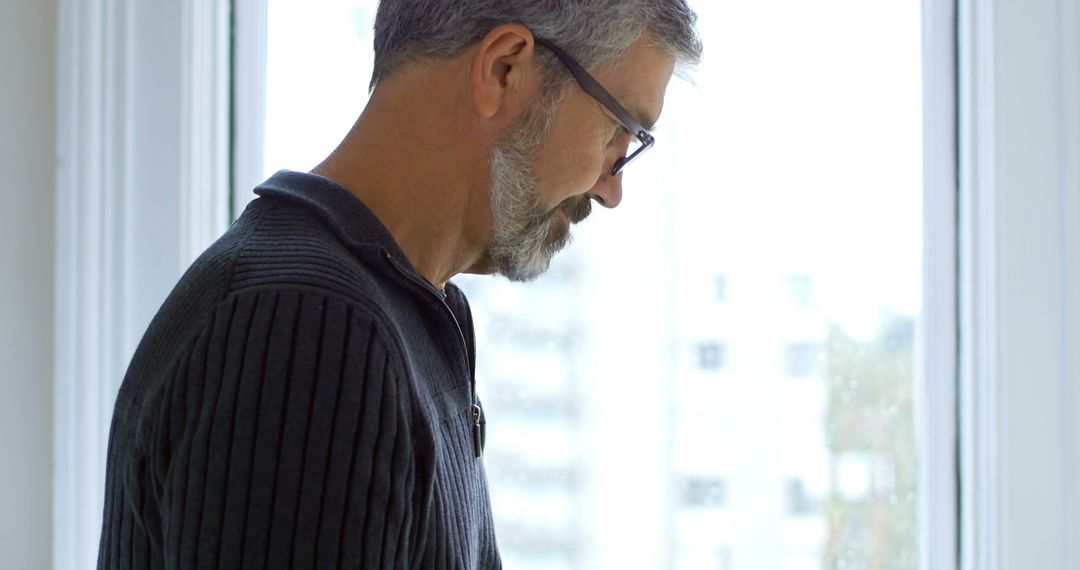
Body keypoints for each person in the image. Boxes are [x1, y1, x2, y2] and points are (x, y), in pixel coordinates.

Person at [97, 1, 702, 568]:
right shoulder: (310, 329)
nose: (612, 189)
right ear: (504, 69)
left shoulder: (388, 315)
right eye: (618, 129)